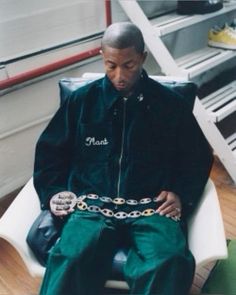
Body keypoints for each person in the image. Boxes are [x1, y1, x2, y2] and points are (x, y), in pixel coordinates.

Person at [34, 22, 213, 295]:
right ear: (102, 57)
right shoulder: (81, 102)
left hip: (153, 207)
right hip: (91, 205)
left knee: (168, 261)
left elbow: (197, 157)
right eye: (111, 65)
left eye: (129, 65)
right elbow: (50, 154)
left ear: (143, 58)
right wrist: (53, 191)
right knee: (70, 256)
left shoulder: (170, 106)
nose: (119, 76)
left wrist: (180, 193)